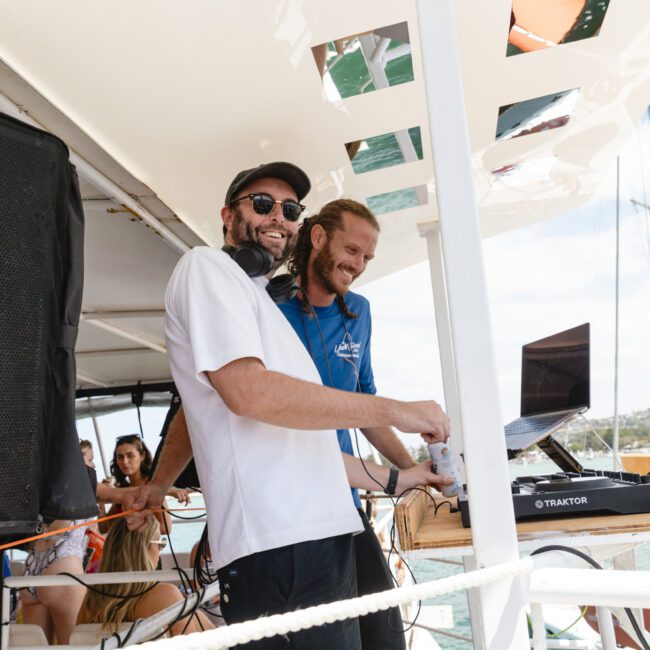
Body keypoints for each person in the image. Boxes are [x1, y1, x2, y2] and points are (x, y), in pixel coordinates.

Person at [126, 161, 452, 650]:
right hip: (281, 542)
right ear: (227, 215)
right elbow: (247, 394)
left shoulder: (259, 300)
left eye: (290, 208)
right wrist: (396, 410)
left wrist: (400, 476)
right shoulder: (206, 267)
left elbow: (298, 441)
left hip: (323, 531)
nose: (278, 215)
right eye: (262, 204)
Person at [280, 198, 417, 649]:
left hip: (346, 502)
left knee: (385, 636)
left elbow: (366, 406)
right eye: (352, 251)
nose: (358, 265)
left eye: (367, 258)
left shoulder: (359, 312)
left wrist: (416, 474)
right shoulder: (267, 306)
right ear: (318, 237)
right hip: (290, 512)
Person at [78, 517, 213, 636]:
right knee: (198, 618)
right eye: (160, 544)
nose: (160, 551)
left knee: (197, 616)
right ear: (143, 550)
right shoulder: (167, 595)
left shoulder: (89, 603)